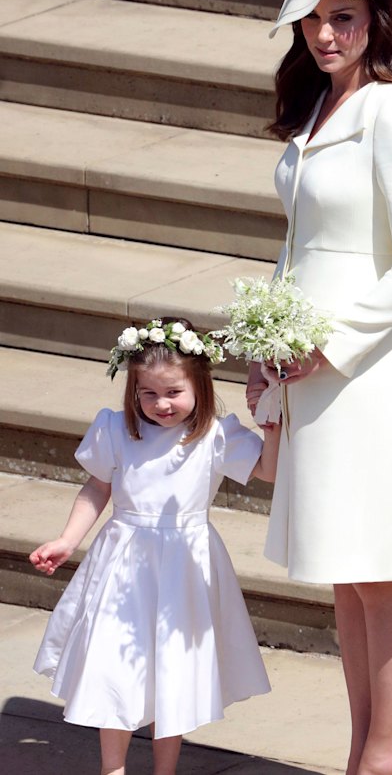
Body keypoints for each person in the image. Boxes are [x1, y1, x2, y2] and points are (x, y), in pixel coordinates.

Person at [246, 0, 392, 775]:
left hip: (361, 371)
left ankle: (387, 754)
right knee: (345, 571)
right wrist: (270, 338)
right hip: (305, 367)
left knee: (382, 566)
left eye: (344, 18)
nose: (325, 35)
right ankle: (365, 747)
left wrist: (330, 343)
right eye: (315, 18)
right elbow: (301, 246)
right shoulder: (323, 106)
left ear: (376, 20)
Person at [31, 317, 279, 775]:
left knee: (173, 668)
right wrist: (68, 539)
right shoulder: (116, 429)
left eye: (174, 392)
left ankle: (165, 769)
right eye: (149, 394)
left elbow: (270, 469)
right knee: (114, 664)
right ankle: (113, 767)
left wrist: (274, 421)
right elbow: (97, 488)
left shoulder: (215, 436)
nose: (162, 404)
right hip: (123, 561)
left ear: (199, 387)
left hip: (185, 565)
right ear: (133, 391)